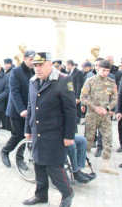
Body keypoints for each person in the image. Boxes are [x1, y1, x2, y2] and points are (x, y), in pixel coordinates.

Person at [23, 52, 76, 207]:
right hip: (37, 131)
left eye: (41, 65)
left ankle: (67, 194)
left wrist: (69, 135)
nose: (37, 69)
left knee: (54, 167)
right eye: (35, 65)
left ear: (50, 64)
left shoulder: (63, 81)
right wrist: (28, 128)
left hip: (55, 133)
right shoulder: (33, 81)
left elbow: (71, 111)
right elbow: (30, 106)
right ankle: (41, 195)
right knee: (38, 164)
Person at [80, 60, 119, 175]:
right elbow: (83, 97)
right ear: (98, 69)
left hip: (105, 115)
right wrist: (94, 107)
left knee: (108, 137)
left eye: (108, 71)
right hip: (92, 114)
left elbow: (115, 98)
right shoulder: (90, 81)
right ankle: (84, 159)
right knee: (89, 138)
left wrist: (107, 109)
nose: (105, 73)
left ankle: (105, 163)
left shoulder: (111, 82)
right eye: (103, 70)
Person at [1, 50, 35, 168]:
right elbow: (14, 92)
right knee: (18, 135)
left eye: (34, 60)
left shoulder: (33, 72)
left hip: (29, 110)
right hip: (16, 111)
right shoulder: (16, 71)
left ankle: (19, 159)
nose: (32, 62)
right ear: (25, 59)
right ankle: (5, 151)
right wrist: (21, 110)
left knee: (26, 135)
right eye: (30, 59)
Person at [66, 60, 84, 125]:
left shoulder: (78, 72)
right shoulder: (69, 72)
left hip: (76, 94)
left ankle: (77, 120)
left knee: (77, 108)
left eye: (67, 65)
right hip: (71, 94)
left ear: (70, 65)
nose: (66, 67)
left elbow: (80, 85)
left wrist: (78, 97)